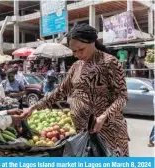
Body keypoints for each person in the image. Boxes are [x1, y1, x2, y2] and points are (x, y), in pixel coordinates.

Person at [23, 23, 129, 157]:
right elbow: (60, 91)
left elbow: (122, 97)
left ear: (92, 42)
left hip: (108, 133)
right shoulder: (76, 66)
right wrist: (35, 106)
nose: (77, 54)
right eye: (74, 51)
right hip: (82, 132)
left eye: (81, 49)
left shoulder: (109, 62)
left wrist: (104, 117)